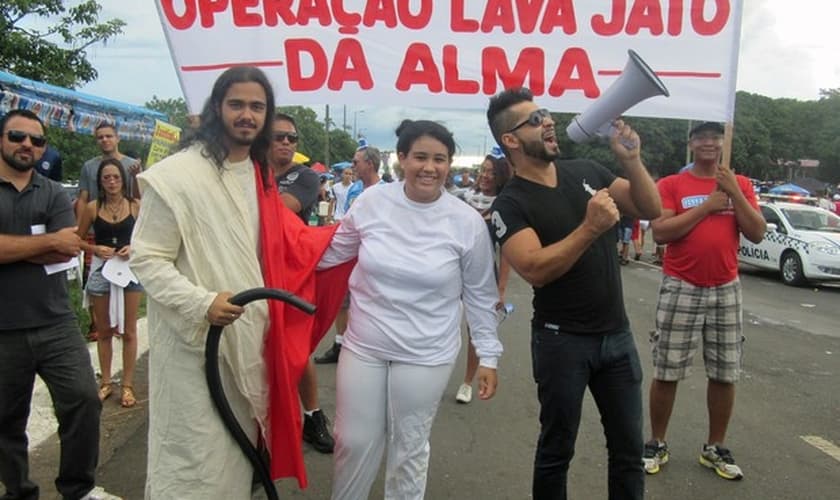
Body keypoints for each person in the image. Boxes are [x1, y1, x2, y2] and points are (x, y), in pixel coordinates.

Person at [486, 87, 661, 500]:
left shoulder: (586, 170)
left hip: (616, 337)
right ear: (510, 139)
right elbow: (535, 269)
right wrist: (590, 228)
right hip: (561, 342)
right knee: (556, 450)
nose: (548, 121)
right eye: (535, 119)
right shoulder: (509, 204)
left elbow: (650, 208)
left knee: (629, 452)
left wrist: (631, 161)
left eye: (545, 113)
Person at [319, 119, 503, 500]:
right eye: (420, 157)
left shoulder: (466, 222)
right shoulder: (372, 202)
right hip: (364, 345)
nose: (429, 168)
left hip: (426, 353)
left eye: (440, 159)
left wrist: (488, 355)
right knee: (352, 440)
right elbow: (332, 252)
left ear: (449, 164)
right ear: (401, 158)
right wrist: (280, 247)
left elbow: (481, 294)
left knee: (409, 447)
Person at [0, 109, 121, 500]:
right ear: (2, 139)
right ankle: (19, 492)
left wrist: (16, 247)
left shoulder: (53, 191)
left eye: (36, 140)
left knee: (84, 400)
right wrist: (47, 242)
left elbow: (66, 249)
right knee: (6, 420)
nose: (27, 145)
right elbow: (54, 244)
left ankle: (78, 489)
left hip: (56, 322)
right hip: (3, 327)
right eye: (17, 136)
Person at [644, 121, 765, 481]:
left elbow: (757, 232)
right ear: (691, 143)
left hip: (726, 287)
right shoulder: (672, 184)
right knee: (667, 369)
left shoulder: (740, 184)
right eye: (702, 137)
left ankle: (715, 447)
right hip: (681, 285)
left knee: (725, 372)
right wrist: (707, 207)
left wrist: (734, 193)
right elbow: (661, 232)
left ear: (724, 142)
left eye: (715, 137)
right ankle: (656, 442)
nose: (709, 142)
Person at [269, 111, 335, 454]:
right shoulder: (249, 169)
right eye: (278, 136)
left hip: (292, 271)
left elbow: (279, 210)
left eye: (291, 138)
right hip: (250, 266)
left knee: (297, 348)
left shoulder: (305, 176)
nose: (286, 142)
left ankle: (312, 415)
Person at [75, 158, 143, 408]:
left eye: (116, 177)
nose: (112, 182)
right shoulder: (92, 207)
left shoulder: (135, 205)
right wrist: (94, 248)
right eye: (107, 178)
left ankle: (127, 385)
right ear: (100, 182)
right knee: (104, 331)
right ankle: (105, 382)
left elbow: (148, 236)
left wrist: (133, 247)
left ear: (123, 180)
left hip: (129, 271)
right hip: (102, 271)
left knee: (129, 331)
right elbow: (77, 239)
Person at [314, 140, 383, 364]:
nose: (352, 167)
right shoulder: (355, 188)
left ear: (370, 164)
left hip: (370, 259)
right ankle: (340, 343)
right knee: (342, 301)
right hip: (348, 255)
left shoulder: (385, 193)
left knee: (365, 304)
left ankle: (366, 347)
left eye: (356, 162)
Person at [456, 152, 513, 404]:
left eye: (492, 172)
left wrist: (501, 288)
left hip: (483, 275)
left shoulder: (504, 205)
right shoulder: (463, 198)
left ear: (501, 176)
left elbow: (507, 251)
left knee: (475, 329)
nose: (486, 176)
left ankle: (467, 382)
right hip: (452, 271)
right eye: (484, 170)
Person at [77, 123, 140, 341]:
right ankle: (96, 324)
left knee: (129, 328)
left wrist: (137, 177)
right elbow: (83, 197)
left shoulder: (131, 165)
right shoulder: (89, 166)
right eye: (100, 137)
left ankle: (121, 329)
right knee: (94, 279)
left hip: (126, 230)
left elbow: (140, 199)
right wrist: (81, 225)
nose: (105, 140)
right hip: (97, 227)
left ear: (117, 138)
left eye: (109, 136)